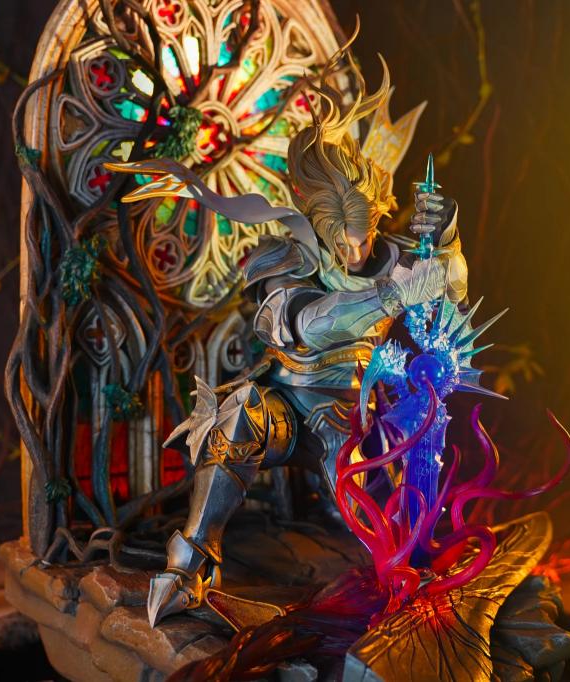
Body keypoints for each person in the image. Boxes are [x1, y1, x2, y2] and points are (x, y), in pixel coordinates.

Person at [106, 53, 469, 626]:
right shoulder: (287, 257)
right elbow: (302, 324)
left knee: (380, 523)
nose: (354, 253)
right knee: (236, 414)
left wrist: (445, 245)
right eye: (341, 242)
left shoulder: (394, 257)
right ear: (316, 224)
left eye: (363, 237)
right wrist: (388, 296)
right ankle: (189, 566)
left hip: (356, 413)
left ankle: (409, 575)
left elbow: (452, 299)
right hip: (284, 405)